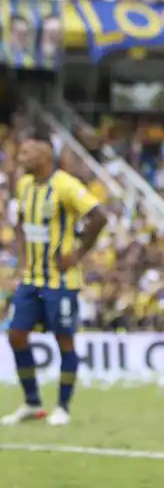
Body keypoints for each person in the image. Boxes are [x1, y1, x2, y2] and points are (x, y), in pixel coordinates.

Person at [2, 130, 108, 428]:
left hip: (60, 282)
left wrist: (77, 254)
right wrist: (23, 261)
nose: (20, 157)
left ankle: (62, 406)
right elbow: (22, 222)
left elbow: (99, 216)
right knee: (16, 335)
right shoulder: (24, 185)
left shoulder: (65, 185)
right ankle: (32, 403)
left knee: (64, 341)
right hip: (31, 278)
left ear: (44, 155)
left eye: (26, 152)